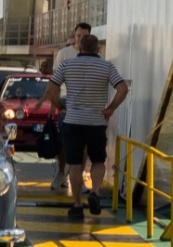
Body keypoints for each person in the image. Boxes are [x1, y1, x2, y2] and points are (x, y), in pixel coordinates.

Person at [46, 31, 127, 220]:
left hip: (73, 121)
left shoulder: (67, 64)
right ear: (98, 49)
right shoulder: (106, 66)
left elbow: (51, 88)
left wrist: (60, 107)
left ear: (79, 47)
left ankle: (76, 206)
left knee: (75, 165)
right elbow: (123, 88)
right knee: (98, 161)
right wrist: (110, 109)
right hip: (96, 122)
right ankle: (95, 192)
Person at [51, 24, 84, 189]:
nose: (80, 39)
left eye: (84, 36)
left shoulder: (94, 55)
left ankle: (77, 176)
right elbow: (55, 81)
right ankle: (61, 171)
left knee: (83, 143)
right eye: (78, 35)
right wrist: (55, 104)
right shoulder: (64, 54)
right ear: (74, 35)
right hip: (66, 101)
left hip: (85, 104)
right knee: (64, 141)